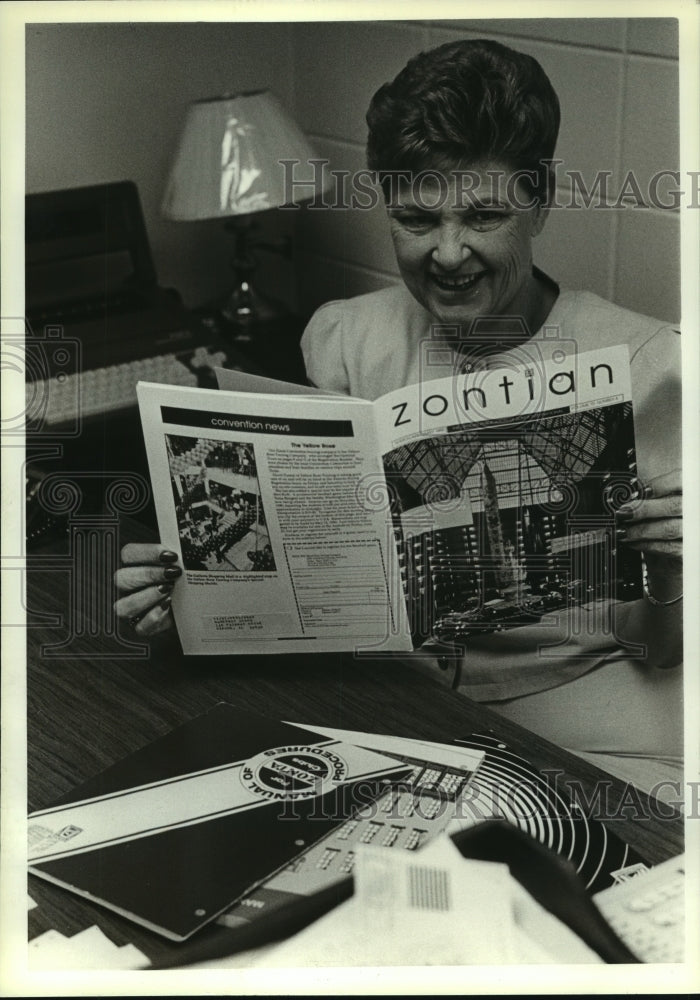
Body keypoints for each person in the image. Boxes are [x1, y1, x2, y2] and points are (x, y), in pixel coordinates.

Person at [115, 39, 682, 797]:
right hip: (393, 691)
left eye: (484, 216)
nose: (449, 254)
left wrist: (674, 572)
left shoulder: (652, 363)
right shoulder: (346, 337)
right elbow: (315, 590)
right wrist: (187, 591)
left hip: (584, 697)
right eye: (417, 219)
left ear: (540, 201)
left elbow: (665, 647)